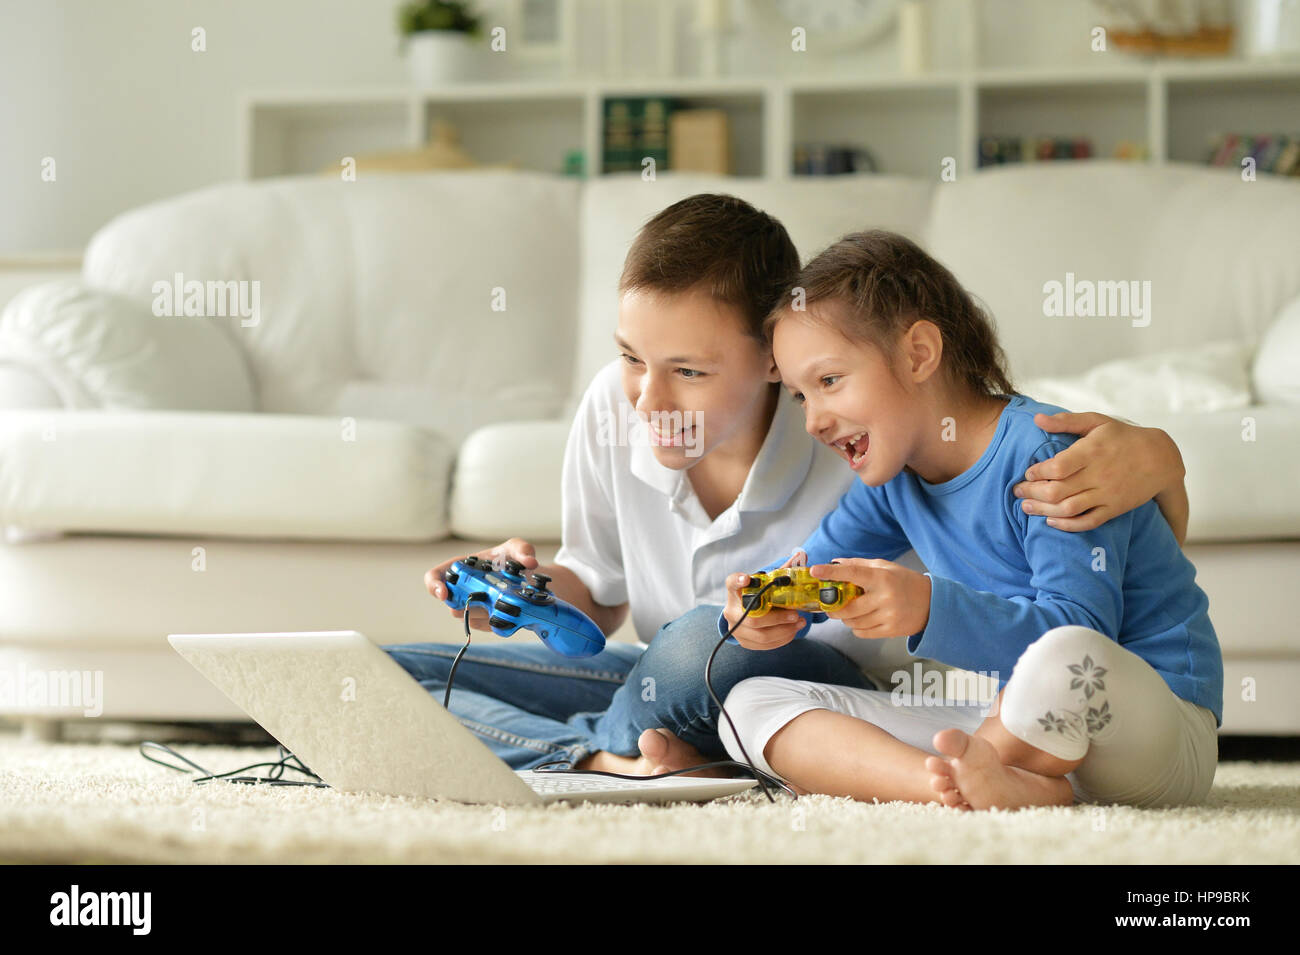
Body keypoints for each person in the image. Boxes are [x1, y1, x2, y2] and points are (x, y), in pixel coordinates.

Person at [384, 195, 1192, 779]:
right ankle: (612, 756)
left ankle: (596, 749)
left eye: (690, 370)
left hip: (792, 677)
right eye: (632, 356)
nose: (648, 400)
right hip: (661, 677)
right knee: (390, 676)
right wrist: (527, 592)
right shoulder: (620, 403)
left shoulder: (866, 427)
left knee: (706, 641)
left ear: (773, 359)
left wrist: (1161, 455)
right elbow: (599, 597)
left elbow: (1011, 464)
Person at [717, 229, 1222, 809]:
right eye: (803, 397)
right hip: (1019, 730)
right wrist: (769, 603)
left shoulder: (1049, 457)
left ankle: (990, 766)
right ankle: (954, 785)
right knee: (749, 704)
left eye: (829, 381)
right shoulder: (893, 482)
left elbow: (1084, 631)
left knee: (1063, 655)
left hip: (1146, 728)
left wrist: (929, 606)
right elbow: (811, 567)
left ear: (918, 354)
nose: (815, 422)